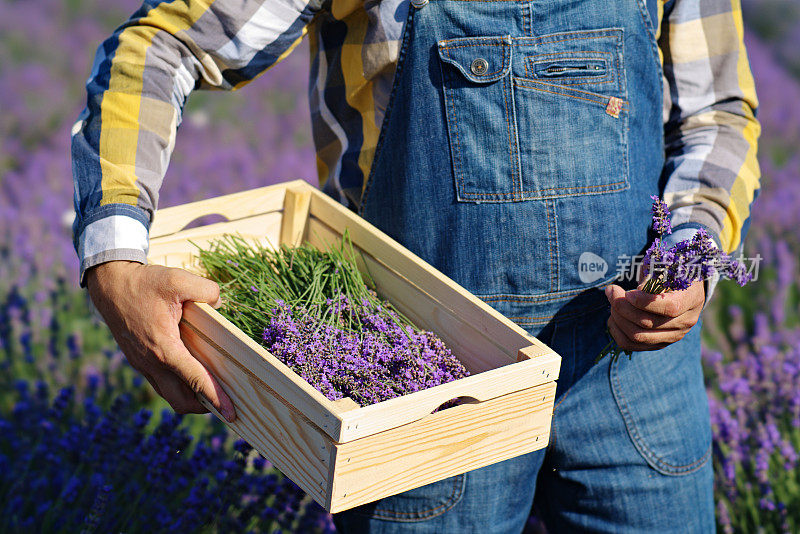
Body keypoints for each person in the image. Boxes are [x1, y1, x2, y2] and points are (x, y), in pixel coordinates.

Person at [72, 0, 760, 530]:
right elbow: (164, 44)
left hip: (635, 373)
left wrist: (687, 253)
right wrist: (114, 258)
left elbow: (715, 116)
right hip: (419, 379)